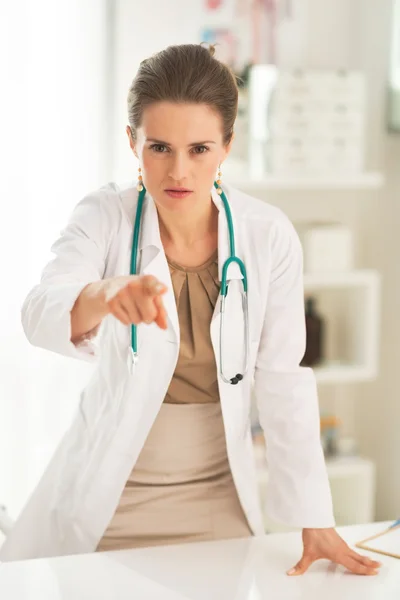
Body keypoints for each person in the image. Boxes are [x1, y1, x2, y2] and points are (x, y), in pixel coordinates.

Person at [0, 44, 381, 576]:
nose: (178, 171)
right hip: (111, 494)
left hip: (218, 495)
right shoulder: (105, 216)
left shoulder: (266, 234)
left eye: (199, 148)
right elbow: (39, 310)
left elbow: (282, 379)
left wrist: (314, 517)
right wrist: (103, 295)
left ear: (228, 143)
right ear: (131, 141)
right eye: (159, 147)